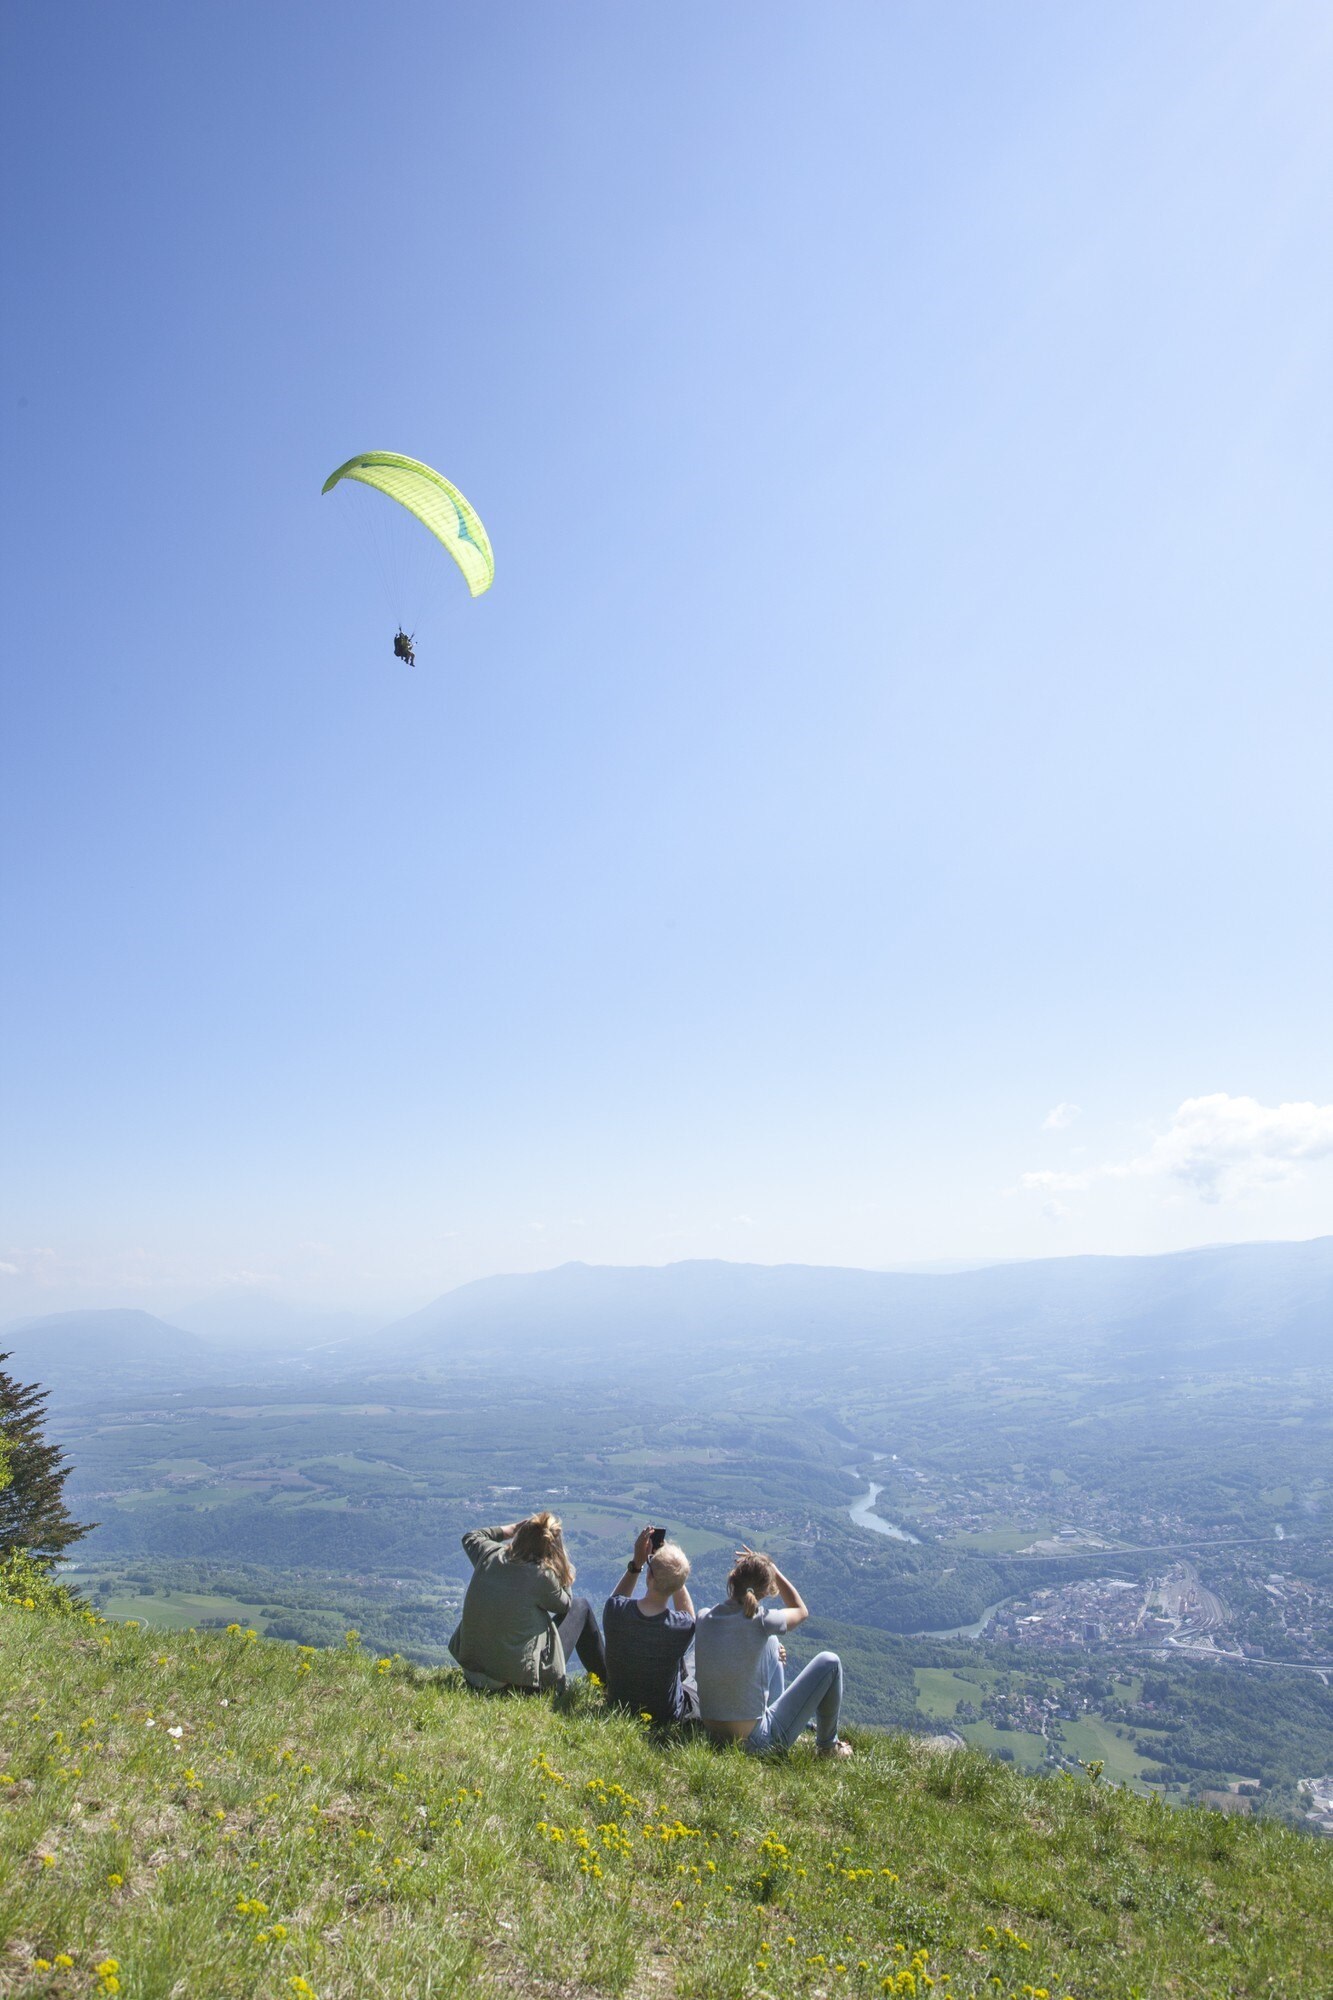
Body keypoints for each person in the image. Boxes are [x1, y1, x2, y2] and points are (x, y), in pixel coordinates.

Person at [694, 1545, 852, 1757]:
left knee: (773, 1642)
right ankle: (828, 1747)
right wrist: (773, 1570)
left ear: (732, 1581)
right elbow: (801, 1611)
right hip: (757, 1743)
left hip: (713, 1735)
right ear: (766, 1590)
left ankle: (783, 1716)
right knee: (830, 1662)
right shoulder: (762, 1620)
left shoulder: (704, 1617)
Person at [449, 1512, 607, 1693]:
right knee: (581, 1607)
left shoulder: (490, 1554)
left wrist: (512, 1529)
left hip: (472, 1674)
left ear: (521, 1534)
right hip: (513, 1684)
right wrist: (561, 1567)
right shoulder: (542, 1576)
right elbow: (565, 1605)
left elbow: (471, 1537)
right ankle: (609, 1687)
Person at [603, 1525, 697, 1722]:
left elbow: (617, 1597)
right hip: (665, 1715)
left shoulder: (615, 1611)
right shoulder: (681, 1627)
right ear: (679, 1584)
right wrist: (675, 1575)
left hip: (617, 1706)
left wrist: (637, 1564)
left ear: (648, 1576)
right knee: (696, 1665)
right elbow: (689, 1615)